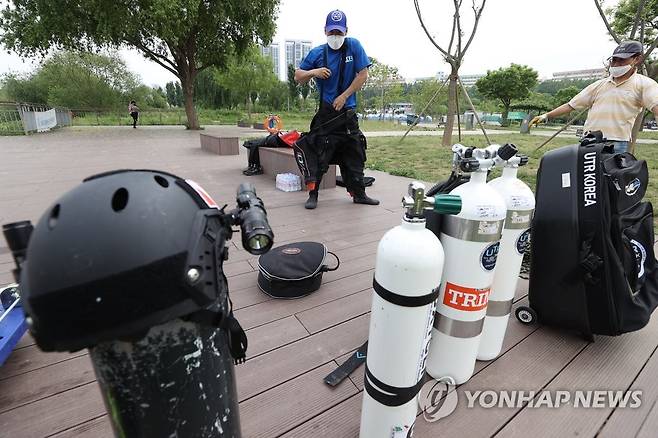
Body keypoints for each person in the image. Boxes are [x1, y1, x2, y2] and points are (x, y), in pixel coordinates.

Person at [294, 9, 379, 209]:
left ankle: (359, 193)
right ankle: (313, 194)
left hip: (347, 113)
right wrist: (314, 72)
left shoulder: (354, 46)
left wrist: (344, 96)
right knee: (320, 154)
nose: (335, 36)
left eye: (339, 33)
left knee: (355, 152)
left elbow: (363, 75)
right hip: (327, 114)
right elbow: (298, 76)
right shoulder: (317, 53)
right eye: (332, 32)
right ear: (325, 31)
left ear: (346, 31)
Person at [530, 40, 658, 153]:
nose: (616, 64)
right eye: (614, 60)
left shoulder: (644, 84)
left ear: (636, 59)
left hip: (616, 143)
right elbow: (571, 105)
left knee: (610, 179)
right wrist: (545, 116)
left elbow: (656, 108)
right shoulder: (599, 85)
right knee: (585, 178)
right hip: (589, 139)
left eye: (622, 60)